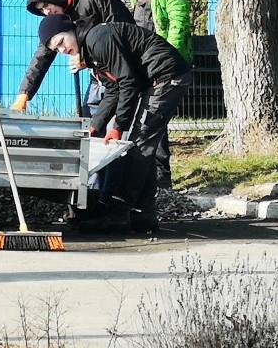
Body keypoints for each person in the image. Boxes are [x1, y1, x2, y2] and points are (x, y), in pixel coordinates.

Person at [39, 15, 192, 232]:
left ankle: (119, 212)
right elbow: (112, 89)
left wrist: (118, 127)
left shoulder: (98, 40)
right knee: (141, 145)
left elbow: (128, 82)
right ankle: (141, 214)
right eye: (56, 49)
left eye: (62, 42)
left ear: (71, 29)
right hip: (157, 78)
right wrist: (95, 125)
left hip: (166, 76)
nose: (62, 50)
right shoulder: (91, 48)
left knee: (140, 144)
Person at [125, 0, 193, 187]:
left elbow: (178, 21)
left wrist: (170, 56)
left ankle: (162, 176)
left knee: (156, 114)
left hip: (163, 59)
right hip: (143, 58)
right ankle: (151, 173)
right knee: (148, 115)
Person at [11, 0, 132, 114]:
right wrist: (24, 93)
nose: (46, 12)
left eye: (46, 5)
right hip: (100, 76)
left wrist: (88, 57)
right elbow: (41, 56)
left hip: (125, 73)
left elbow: (123, 33)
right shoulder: (55, 19)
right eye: (41, 10)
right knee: (90, 120)